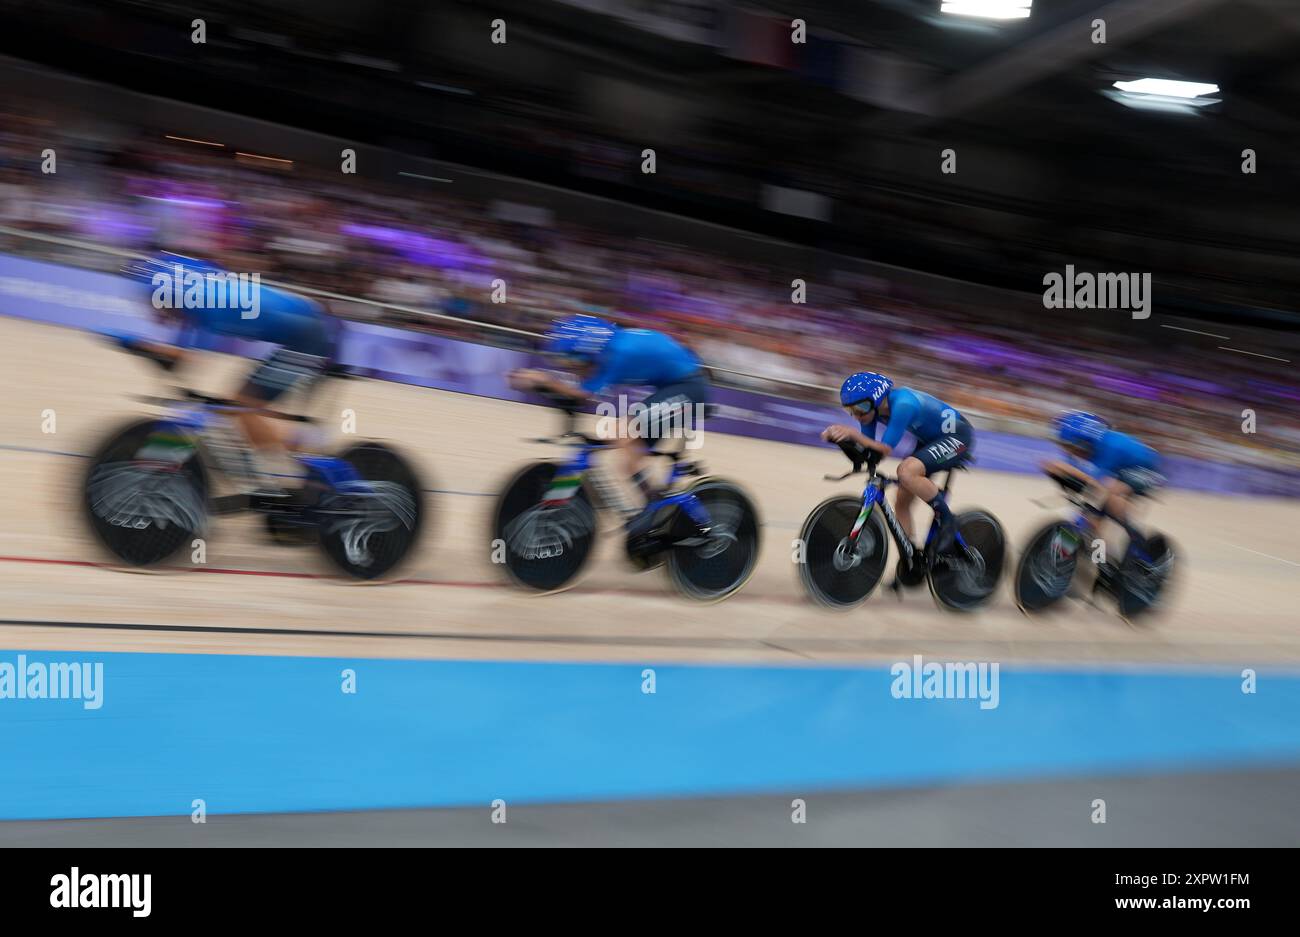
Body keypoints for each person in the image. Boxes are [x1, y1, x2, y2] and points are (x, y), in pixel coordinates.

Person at [116, 251, 339, 496]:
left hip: (310, 338)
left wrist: (136, 344)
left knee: (242, 405)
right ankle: (282, 462)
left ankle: (303, 452)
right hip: (306, 330)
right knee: (236, 408)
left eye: (153, 301)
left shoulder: (207, 303)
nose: (154, 310)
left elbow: (188, 358)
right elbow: (180, 362)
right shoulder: (198, 302)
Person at [509, 314, 708, 526]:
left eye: (573, 361)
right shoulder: (608, 348)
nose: (573, 368)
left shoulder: (618, 353)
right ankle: (657, 514)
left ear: (590, 350)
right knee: (628, 457)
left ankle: (659, 509)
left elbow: (580, 395)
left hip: (690, 387)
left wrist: (543, 380)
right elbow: (574, 395)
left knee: (621, 433)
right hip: (671, 386)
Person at [822, 371, 974, 559]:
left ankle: (948, 522)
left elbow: (885, 448)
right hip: (930, 440)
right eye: (851, 410)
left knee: (907, 471)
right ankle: (911, 558)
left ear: (877, 400)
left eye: (860, 407)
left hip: (956, 436)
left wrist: (852, 434)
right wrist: (841, 440)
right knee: (902, 499)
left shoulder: (903, 404)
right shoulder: (870, 412)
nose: (856, 415)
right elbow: (872, 453)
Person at [1041, 410, 1164, 567]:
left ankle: (1135, 539)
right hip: (1118, 469)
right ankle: (1098, 560)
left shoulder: (1110, 446)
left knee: (1111, 494)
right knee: (1091, 516)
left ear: (1085, 443)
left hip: (1146, 471)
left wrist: (1066, 470)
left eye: (1070, 447)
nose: (1066, 451)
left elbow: (1097, 484)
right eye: (1063, 446)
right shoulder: (1082, 447)